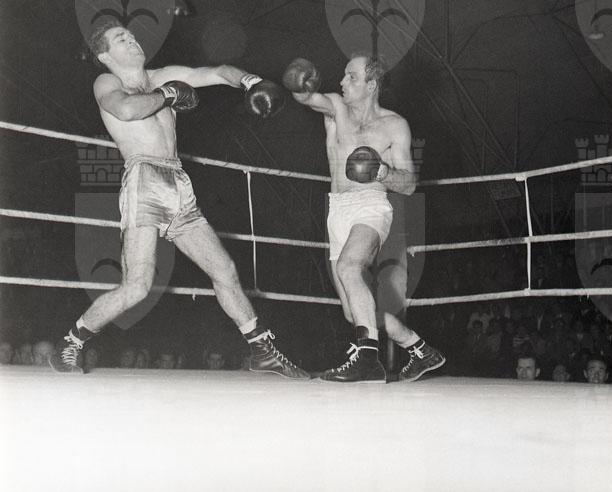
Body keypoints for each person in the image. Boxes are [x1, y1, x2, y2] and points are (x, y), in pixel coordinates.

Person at [49, 20, 308, 380]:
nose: (132, 40)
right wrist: (169, 96)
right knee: (138, 285)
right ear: (105, 55)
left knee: (224, 269)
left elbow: (217, 71)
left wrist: (250, 81)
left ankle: (261, 350)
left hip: (178, 183)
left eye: (132, 35)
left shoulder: (162, 75)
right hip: (143, 178)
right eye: (121, 39)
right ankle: (72, 341)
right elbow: (126, 110)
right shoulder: (107, 82)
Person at [282, 55, 445, 383]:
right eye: (344, 75)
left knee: (349, 268)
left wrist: (380, 170)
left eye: (351, 77)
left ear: (371, 85)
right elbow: (304, 97)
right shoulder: (335, 107)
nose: (342, 82)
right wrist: (298, 80)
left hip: (371, 206)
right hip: (337, 209)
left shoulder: (394, 125)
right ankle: (419, 349)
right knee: (352, 310)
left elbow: (409, 185)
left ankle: (367, 361)